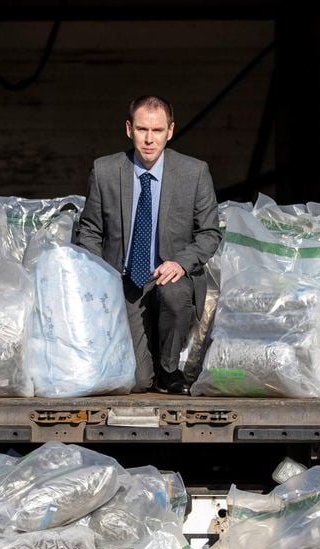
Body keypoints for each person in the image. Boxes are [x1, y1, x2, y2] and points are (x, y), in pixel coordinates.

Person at [75, 95, 221, 394]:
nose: (149, 140)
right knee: (139, 382)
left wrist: (181, 262)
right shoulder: (105, 171)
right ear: (129, 129)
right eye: (142, 129)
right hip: (125, 281)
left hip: (170, 277)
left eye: (157, 130)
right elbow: (89, 230)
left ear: (170, 131)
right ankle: (150, 365)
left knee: (174, 294)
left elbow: (209, 232)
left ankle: (169, 370)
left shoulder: (194, 172)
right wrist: (102, 277)